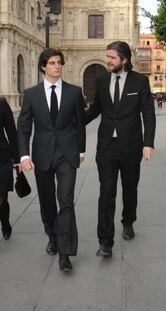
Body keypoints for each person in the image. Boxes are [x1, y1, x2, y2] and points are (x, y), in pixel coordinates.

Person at [17, 48, 86, 272]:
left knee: (66, 201)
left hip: (67, 154)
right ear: (43, 67)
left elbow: (80, 123)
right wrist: (24, 155)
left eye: (59, 62)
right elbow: (24, 127)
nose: (57, 66)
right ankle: (53, 236)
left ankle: (65, 253)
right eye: (53, 63)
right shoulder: (31, 94)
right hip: (42, 156)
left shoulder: (74, 92)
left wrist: (81, 151)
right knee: (47, 203)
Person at [85, 41, 155, 258]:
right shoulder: (103, 79)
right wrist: (75, 122)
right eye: (107, 57)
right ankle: (105, 242)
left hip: (131, 147)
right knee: (106, 194)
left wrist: (148, 143)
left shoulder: (140, 82)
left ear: (124, 59)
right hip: (106, 147)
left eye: (112, 58)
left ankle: (128, 221)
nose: (108, 61)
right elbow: (96, 108)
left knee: (130, 189)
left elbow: (148, 113)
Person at [0, 97, 20, 240]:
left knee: (1, 198)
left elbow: (12, 132)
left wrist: (17, 159)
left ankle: (5, 223)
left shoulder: (2, 104)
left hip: (2, 158)